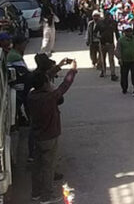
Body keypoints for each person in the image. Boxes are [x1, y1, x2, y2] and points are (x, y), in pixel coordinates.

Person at [28, 60, 78, 203]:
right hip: (50, 136)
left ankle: (35, 192)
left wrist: (59, 66)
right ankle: (46, 196)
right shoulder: (49, 97)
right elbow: (64, 86)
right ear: (44, 85)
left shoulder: (32, 96)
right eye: (48, 82)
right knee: (49, 167)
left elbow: (42, 78)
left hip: (38, 136)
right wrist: (72, 71)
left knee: (37, 165)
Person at [116, 24, 134, 97]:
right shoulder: (121, 40)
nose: (129, 32)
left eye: (130, 31)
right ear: (124, 32)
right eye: (127, 31)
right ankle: (124, 88)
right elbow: (118, 50)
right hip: (124, 61)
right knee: (124, 75)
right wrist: (119, 58)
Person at [99, 11, 119, 81]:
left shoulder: (113, 23)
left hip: (110, 43)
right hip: (102, 43)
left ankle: (112, 73)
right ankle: (103, 70)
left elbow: (116, 33)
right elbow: (95, 32)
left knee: (111, 59)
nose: (107, 17)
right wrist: (99, 37)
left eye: (109, 15)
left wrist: (118, 41)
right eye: (106, 15)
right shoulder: (100, 23)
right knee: (103, 58)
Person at [86, 10, 103, 76]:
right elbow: (88, 32)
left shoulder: (102, 23)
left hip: (99, 41)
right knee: (93, 54)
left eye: (97, 16)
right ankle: (94, 62)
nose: (96, 17)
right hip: (92, 41)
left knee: (100, 54)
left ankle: (99, 64)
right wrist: (87, 40)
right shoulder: (90, 23)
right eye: (94, 16)